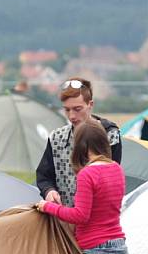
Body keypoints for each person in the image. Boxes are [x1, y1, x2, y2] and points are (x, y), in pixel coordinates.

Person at [36, 120, 128, 254]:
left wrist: (49, 207)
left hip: (95, 251)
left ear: (83, 146)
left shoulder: (88, 174)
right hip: (120, 249)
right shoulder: (117, 169)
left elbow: (80, 215)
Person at [36, 77, 122, 207]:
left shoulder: (109, 135)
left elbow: (111, 182)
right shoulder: (56, 138)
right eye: (67, 110)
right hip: (62, 219)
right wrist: (49, 191)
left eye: (77, 109)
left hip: (96, 219)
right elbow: (44, 176)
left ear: (90, 105)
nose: (71, 116)